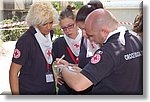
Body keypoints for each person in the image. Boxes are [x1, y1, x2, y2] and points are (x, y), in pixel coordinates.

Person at [55, 9, 143, 95]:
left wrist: (63, 69)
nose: (91, 40)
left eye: (91, 36)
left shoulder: (109, 51)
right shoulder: (136, 39)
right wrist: (85, 72)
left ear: (104, 32)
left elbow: (78, 84)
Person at [9, 1, 58, 95]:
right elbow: (13, 73)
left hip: (49, 90)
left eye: (51, 23)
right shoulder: (25, 41)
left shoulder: (49, 34)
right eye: (44, 24)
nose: (48, 27)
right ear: (36, 22)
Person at [52, 5, 82, 95]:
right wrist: (55, 76)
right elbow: (47, 63)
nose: (68, 31)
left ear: (76, 23)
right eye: (64, 28)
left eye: (70, 26)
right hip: (66, 89)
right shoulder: (58, 43)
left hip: (85, 86)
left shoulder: (88, 39)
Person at [76, 0, 104, 68]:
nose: (83, 34)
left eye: (85, 29)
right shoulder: (85, 40)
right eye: (81, 29)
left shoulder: (109, 45)